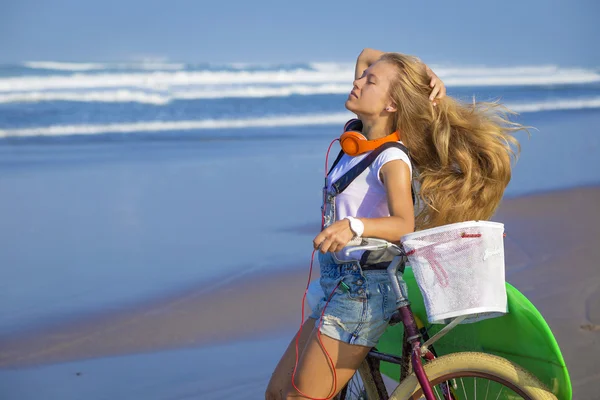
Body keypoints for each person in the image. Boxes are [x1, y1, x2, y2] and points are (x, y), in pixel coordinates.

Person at [265, 48, 523, 400]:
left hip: (361, 292)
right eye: (362, 77)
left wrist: (354, 226)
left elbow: (405, 224)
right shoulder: (356, 140)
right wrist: (426, 74)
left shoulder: (391, 158)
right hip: (335, 284)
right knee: (276, 393)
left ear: (391, 105)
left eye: (369, 81)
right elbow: (368, 54)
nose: (357, 81)